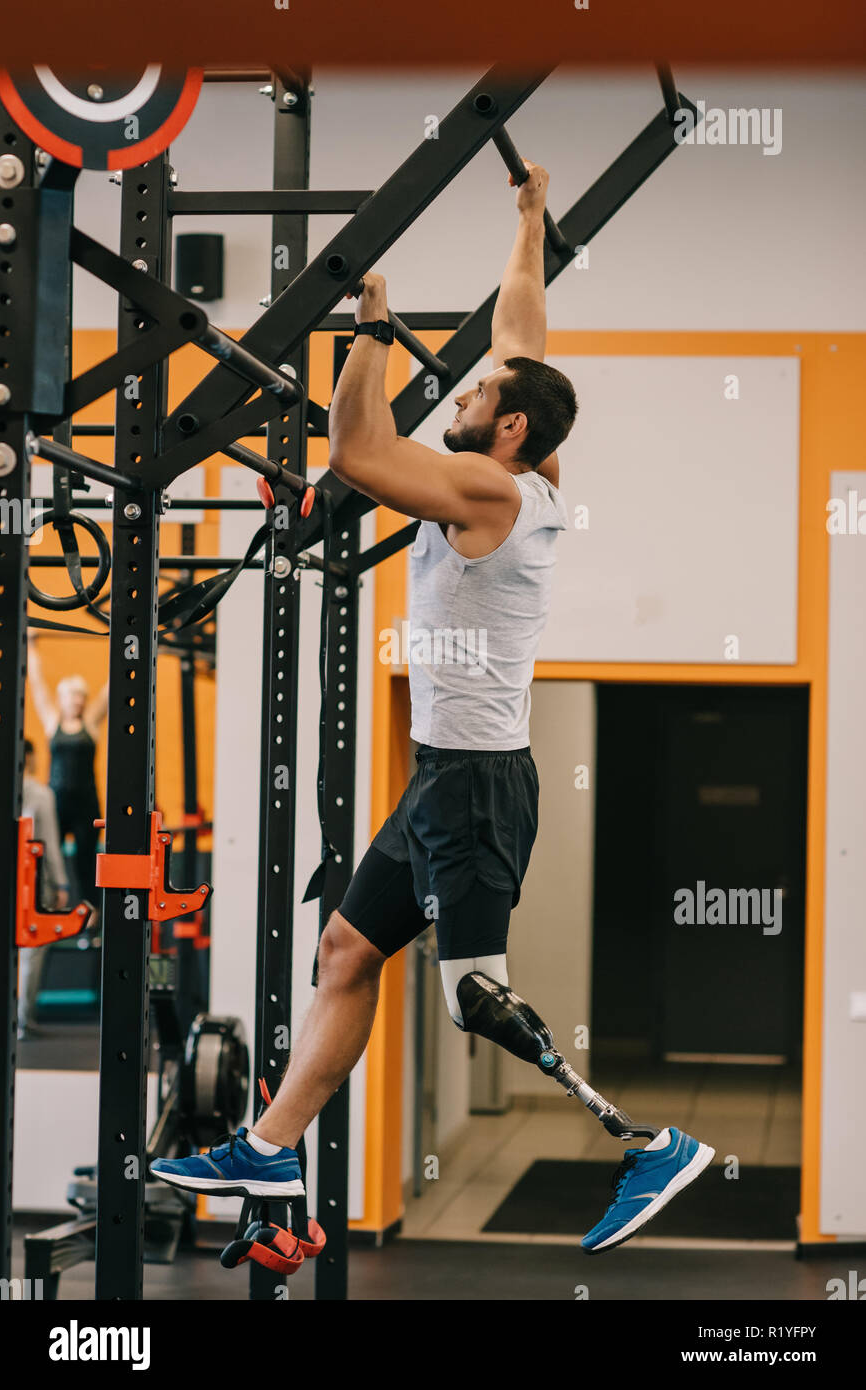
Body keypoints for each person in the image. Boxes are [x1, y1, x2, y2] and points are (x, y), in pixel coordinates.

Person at [152, 161, 714, 1252]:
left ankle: (649, 1144)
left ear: (508, 432)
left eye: (471, 401)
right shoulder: (525, 462)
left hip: (476, 787)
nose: (457, 397)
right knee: (345, 952)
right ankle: (268, 1148)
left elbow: (358, 452)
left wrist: (370, 328)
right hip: (443, 777)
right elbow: (520, 331)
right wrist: (530, 218)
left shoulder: (491, 489)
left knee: (471, 999)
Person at [26, 632, 107, 919]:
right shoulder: (52, 722)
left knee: (86, 860)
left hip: (86, 803)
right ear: (62, 699)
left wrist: (126, 643)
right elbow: (37, 686)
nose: (77, 701)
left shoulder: (90, 724)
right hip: (57, 802)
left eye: (81, 697)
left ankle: (91, 915)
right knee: (49, 856)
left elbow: (110, 691)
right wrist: (31, 646)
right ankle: (44, 907)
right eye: (72, 696)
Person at [18, 738, 69, 1039]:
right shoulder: (40, 793)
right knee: (32, 950)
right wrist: (61, 883)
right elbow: (49, 841)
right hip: (34, 880)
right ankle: (23, 1018)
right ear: (29, 758)